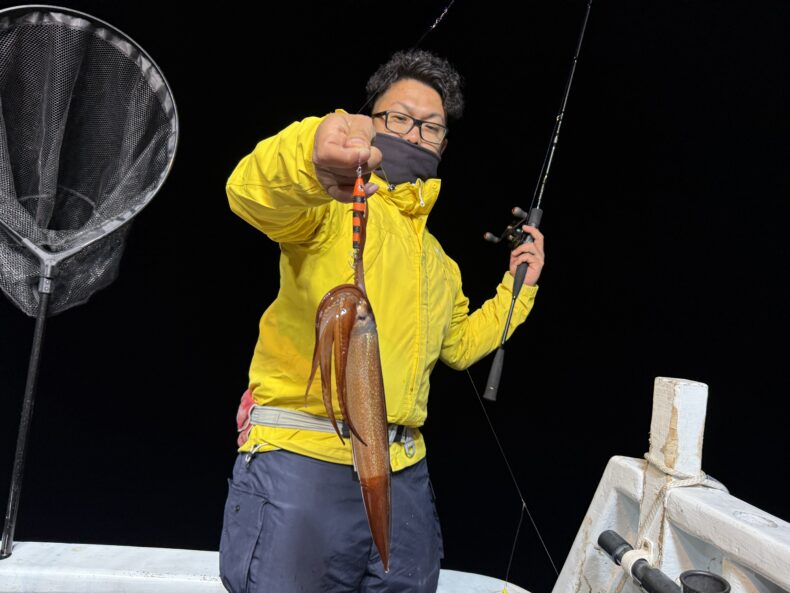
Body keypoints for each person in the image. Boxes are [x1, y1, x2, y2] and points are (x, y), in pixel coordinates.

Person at [219, 49, 545, 593]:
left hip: (404, 473)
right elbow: (249, 193)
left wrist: (519, 288)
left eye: (431, 127)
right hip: (305, 459)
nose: (414, 134)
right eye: (399, 118)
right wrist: (310, 153)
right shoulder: (326, 206)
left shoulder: (438, 261)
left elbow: (459, 347)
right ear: (370, 121)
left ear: (443, 143)